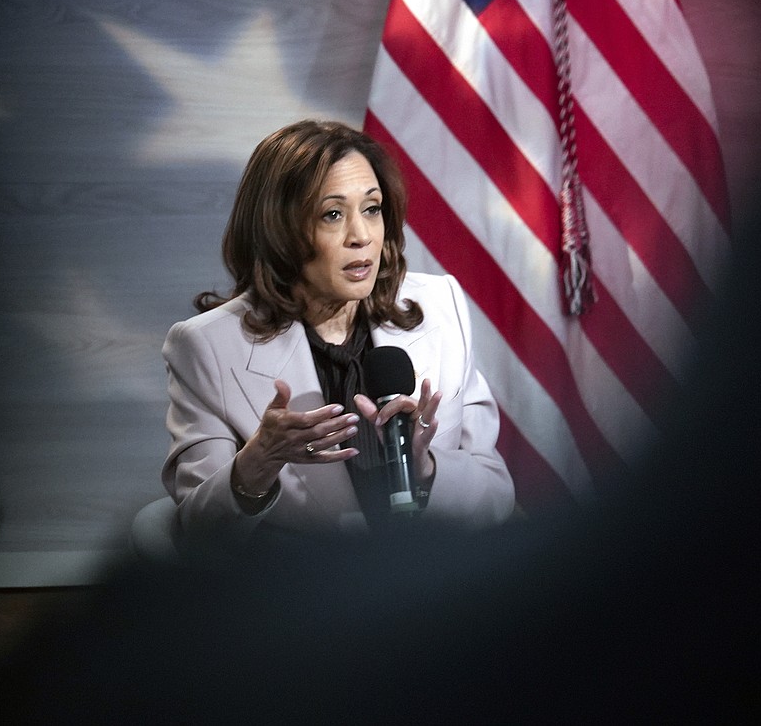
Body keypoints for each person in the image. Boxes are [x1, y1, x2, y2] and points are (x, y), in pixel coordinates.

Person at [160, 119, 515, 545]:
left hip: (430, 586)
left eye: (371, 208)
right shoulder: (208, 347)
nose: (361, 236)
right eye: (332, 215)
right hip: (305, 596)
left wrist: (426, 467)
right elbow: (197, 535)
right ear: (279, 230)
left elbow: (497, 496)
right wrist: (257, 463)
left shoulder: (442, 307)